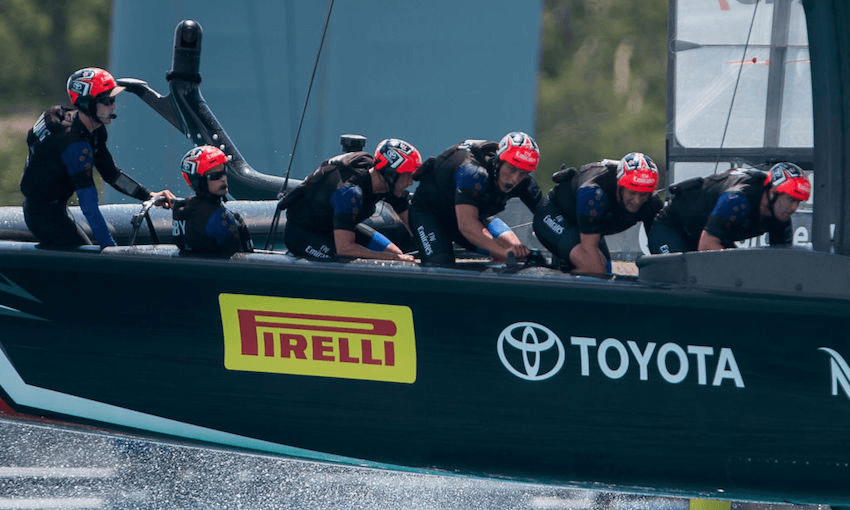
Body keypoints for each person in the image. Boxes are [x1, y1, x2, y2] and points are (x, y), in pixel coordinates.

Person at [19, 67, 175, 248]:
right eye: (107, 101)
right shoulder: (75, 146)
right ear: (87, 104)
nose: (113, 106)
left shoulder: (91, 129)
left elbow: (111, 174)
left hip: (56, 208)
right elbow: (89, 207)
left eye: (113, 100)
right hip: (44, 217)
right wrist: (111, 250)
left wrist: (148, 195)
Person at [409, 132, 542, 266]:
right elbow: (467, 225)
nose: (515, 179)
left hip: (472, 214)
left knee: (516, 251)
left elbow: (545, 213)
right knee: (440, 263)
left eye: (523, 173)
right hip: (430, 214)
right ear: (498, 162)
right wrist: (504, 253)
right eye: (512, 169)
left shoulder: (524, 183)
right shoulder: (472, 172)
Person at [282, 138, 421, 262]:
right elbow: (345, 250)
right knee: (345, 260)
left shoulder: (390, 186)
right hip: (304, 233)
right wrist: (393, 258)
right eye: (407, 175)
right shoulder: (350, 193)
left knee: (396, 253)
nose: (410, 182)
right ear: (390, 174)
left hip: (333, 228)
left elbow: (413, 226)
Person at [532, 152, 663, 274]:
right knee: (595, 270)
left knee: (605, 268)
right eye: (632, 192)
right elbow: (589, 249)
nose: (637, 200)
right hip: (554, 214)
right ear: (619, 185)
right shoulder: (594, 193)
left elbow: (661, 254)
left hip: (584, 224)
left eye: (644, 194)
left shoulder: (652, 203)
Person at [647, 162, 811, 254]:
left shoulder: (781, 217)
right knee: (679, 275)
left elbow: (781, 262)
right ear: (773, 191)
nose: (793, 208)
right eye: (790, 199)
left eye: (798, 201)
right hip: (673, 227)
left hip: (707, 234)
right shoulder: (738, 199)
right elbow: (706, 246)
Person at [172, 145, 253, 255]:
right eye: (215, 175)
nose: (223, 179)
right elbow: (243, 259)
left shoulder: (180, 209)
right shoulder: (222, 218)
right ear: (200, 181)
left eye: (224, 172)